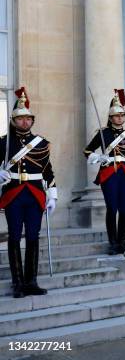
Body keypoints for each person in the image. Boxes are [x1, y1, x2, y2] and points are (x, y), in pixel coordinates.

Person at [0, 87, 58, 298]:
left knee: (33, 236)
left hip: (35, 195)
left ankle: (31, 280)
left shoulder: (41, 143)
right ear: (14, 120)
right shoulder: (4, 142)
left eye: (28, 119)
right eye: (20, 119)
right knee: (15, 237)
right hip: (13, 194)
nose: (24, 122)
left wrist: (52, 195)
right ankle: (17, 283)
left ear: (32, 120)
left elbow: (48, 171)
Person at [83, 89, 125, 254]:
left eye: (122, 115)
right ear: (111, 117)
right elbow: (87, 151)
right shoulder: (102, 133)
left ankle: (122, 241)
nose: (119, 118)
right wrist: (99, 158)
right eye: (116, 116)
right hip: (109, 172)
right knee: (112, 208)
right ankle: (112, 242)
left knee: (123, 209)